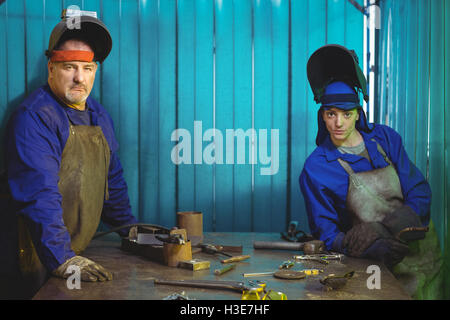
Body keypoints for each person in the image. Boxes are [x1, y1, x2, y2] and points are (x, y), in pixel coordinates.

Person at [0, 11, 138, 299]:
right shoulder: (35, 117)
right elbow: (39, 194)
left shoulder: (99, 115)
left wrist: (132, 232)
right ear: (51, 69)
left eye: (87, 69)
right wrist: (62, 257)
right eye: (69, 67)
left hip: (72, 251)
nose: (80, 78)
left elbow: (112, 181)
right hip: (33, 257)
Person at [299, 44, 443, 299]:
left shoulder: (386, 139)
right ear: (322, 115)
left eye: (347, 113)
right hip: (374, 266)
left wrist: (386, 228)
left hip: (423, 258)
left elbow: (419, 191)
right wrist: (359, 243)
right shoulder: (316, 168)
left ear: (358, 113)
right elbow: (326, 231)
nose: (339, 123)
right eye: (331, 114)